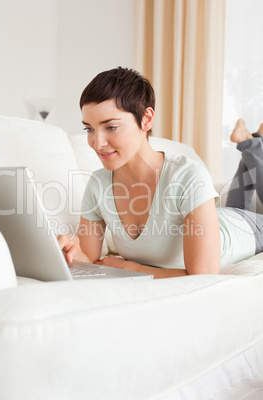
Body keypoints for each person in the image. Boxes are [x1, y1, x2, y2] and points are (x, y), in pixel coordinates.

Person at [58, 67, 263, 279]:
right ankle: (254, 141)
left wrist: (130, 268)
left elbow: (202, 276)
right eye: (89, 129)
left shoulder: (187, 175)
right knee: (237, 201)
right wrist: (69, 252)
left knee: (243, 210)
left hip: (242, 228)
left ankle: (253, 144)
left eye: (110, 127)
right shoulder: (97, 185)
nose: (97, 143)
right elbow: (90, 261)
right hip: (215, 216)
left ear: (146, 119)